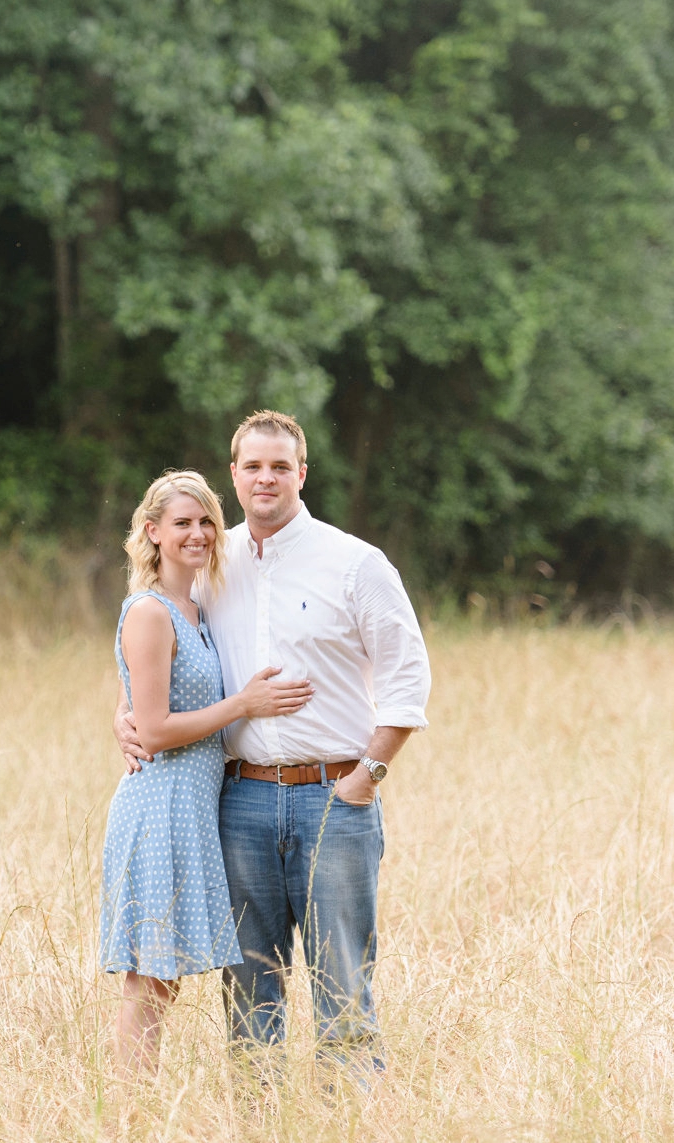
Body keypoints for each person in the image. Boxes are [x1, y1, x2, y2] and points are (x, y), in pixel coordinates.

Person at [117, 411, 432, 1087]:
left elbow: (410, 678)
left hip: (334, 798)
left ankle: (348, 1126)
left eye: (280, 466)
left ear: (302, 474)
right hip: (239, 803)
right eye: (253, 466)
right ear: (233, 475)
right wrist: (125, 713)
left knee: (343, 981)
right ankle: (261, 1122)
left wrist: (366, 778)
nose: (266, 477)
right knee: (249, 992)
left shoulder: (354, 563)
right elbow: (162, 655)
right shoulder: (210, 563)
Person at [99, 469, 317, 1074]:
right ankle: (128, 1118)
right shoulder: (149, 611)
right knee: (149, 981)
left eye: (205, 524)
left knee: (165, 982)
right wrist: (243, 705)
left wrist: (121, 711)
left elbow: (137, 702)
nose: (196, 535)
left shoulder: (197, 607)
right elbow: (158, 729)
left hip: (197, 808)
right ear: (152, 533)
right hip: (160, 806)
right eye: (182, 524)